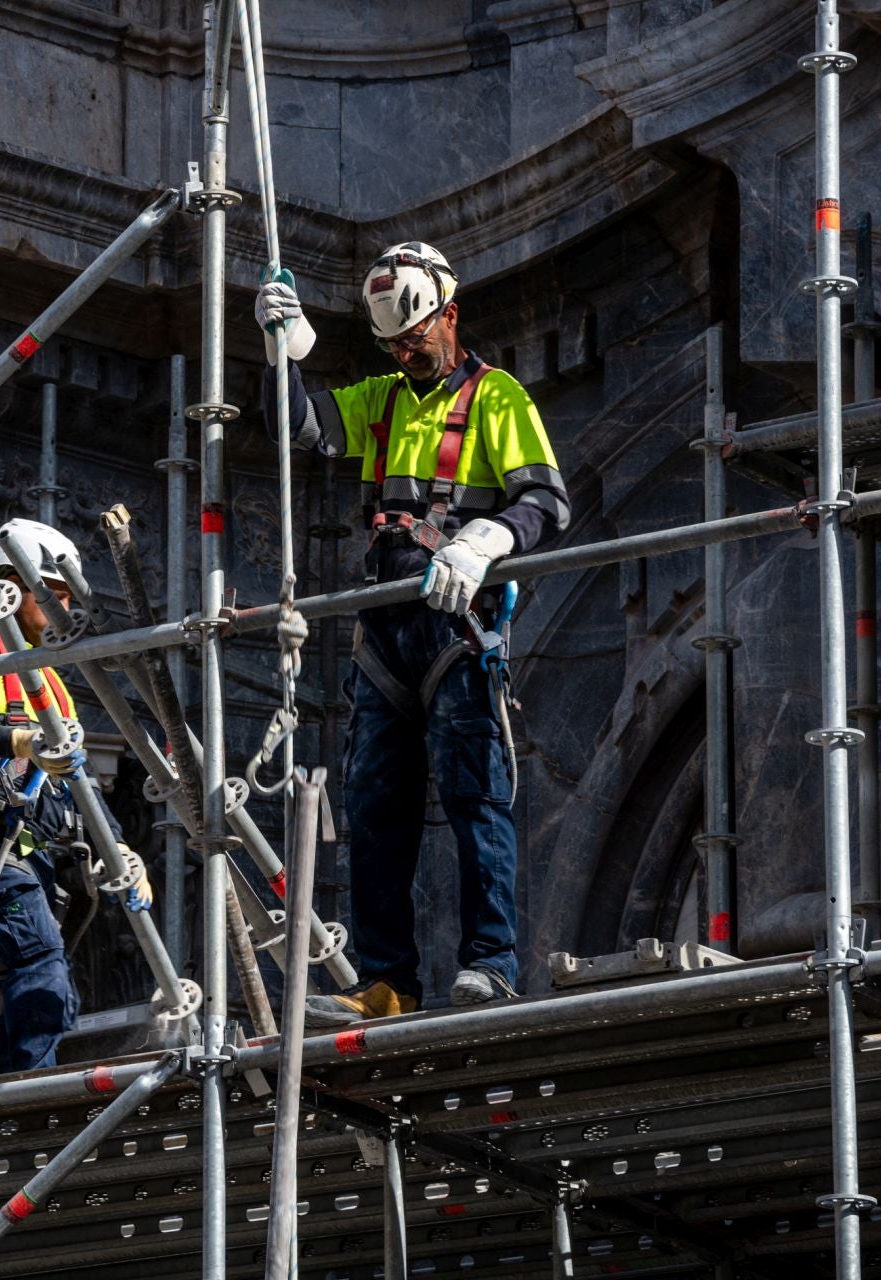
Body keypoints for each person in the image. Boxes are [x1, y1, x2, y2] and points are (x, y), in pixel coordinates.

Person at [253, 242, 570, 1017]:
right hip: (387, 628)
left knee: (474, 790)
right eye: (392, 343)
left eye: (414, 337)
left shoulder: (497, 398)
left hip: (458, 623)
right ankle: (387, 979)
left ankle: (490, 962)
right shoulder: (383, 399)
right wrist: (279, 352)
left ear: (449, 315)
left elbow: (546, 501)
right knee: (374, 804)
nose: (404, 353)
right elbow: (297, 428)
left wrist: (484, 541)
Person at [0, 518, 149, 1078]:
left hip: (29, 848)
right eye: (57, 594)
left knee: (50, 994)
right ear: (13, 587)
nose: (65, 609)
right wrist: (19, 741)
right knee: (42, 975)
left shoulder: (46, 678)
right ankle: (28, 1102)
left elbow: (75, 775)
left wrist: (118, 848)